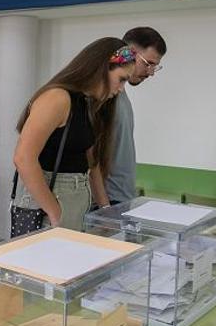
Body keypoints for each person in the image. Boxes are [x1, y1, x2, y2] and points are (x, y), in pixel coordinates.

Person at [12, 38, 135, 234]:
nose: (121, 89)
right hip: (49, 200)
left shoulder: (87, 103)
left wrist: (105, 209)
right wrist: (54, 211)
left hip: (76, 199)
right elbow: (23, 158)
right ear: (101, 69)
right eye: (121, 79)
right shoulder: (58, 98)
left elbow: (91, 162)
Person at [105, 27, 166, 205]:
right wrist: (103, 205)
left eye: (155, 66)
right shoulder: (105, 97)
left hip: (120, 198)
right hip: (104, 202)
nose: (151, 72)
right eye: (148, 63)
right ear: (128, 54)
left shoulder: (121, 95)